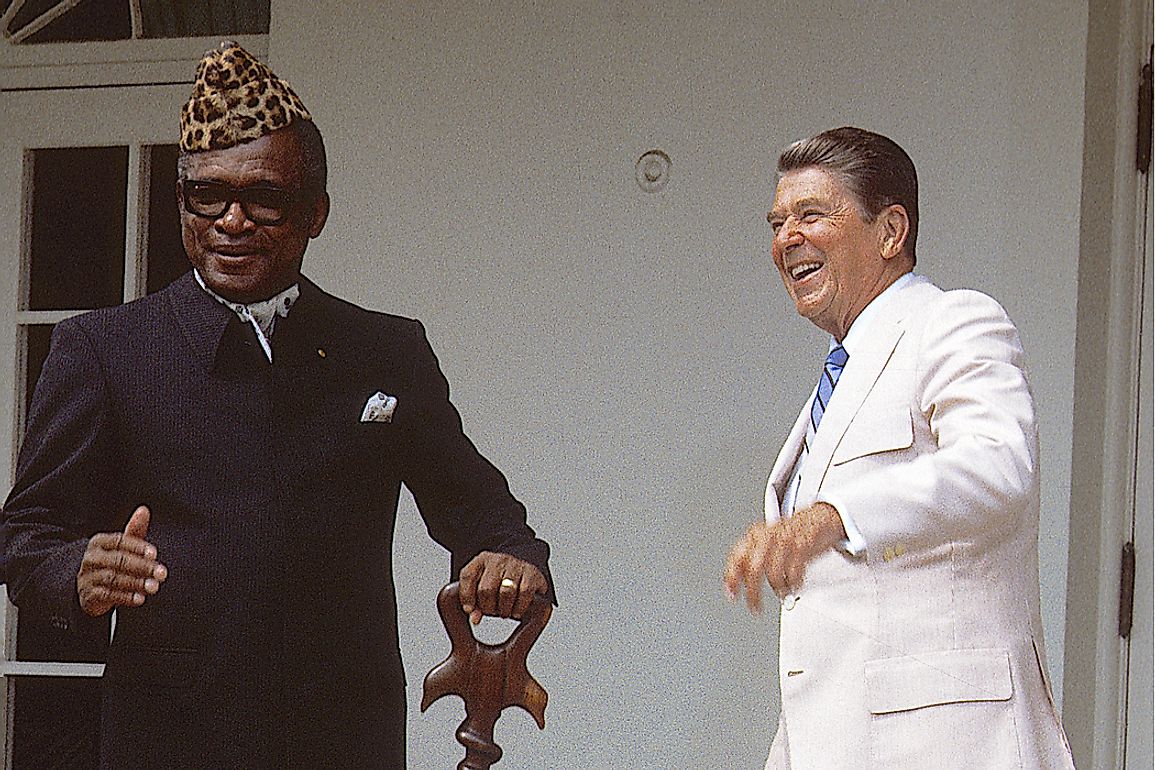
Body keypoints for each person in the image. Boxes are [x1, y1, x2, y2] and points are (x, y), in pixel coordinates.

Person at [0, 42, 552, 769]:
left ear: (315, 213)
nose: (232, 221)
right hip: (167, 742)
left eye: (264, 198)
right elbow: (25, 538)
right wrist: (77, 569)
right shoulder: (105, 352)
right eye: (208, 195)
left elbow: (480, 511)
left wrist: (506, 561)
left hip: (344, 742)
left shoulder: (384, 351)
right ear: (182, 203)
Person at [723, 127, 1075, 769]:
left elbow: (999, 467)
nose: (785, 240)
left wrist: (833, 517)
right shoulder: (839, 378)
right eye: (777, 223)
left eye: (810, 215)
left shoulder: (953, 322)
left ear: (890, 232)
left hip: (947, 745)